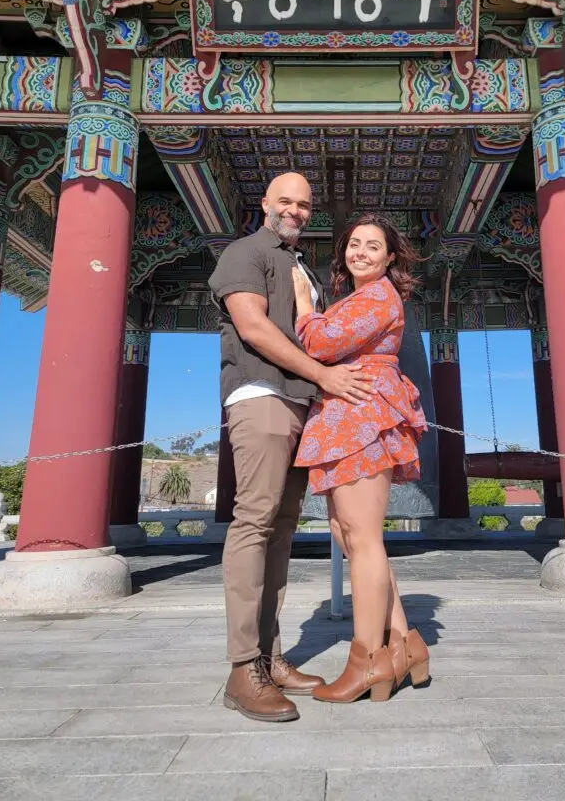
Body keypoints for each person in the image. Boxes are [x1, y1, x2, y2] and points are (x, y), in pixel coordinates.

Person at [209, 172, 373, 723]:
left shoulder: (303, 267)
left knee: (281, 529)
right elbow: (253, 328)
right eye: (286, 201)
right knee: (254, 522)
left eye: (304, 205)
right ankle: (241, 668)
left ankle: (271, 657)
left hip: (304, 403)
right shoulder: (246, 251)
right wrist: (325, 378)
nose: (296, 211)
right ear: (265, 203)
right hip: (262, 395)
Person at [292, 213, 430, 704]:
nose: (361, 253)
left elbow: (321, 344)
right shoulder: (357, 298)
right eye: (354, 244)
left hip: (363, 413)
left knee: (363, 539)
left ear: (391, 257)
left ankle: (367, 659)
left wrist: (306, 306)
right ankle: (406, 645)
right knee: (349, 535)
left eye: (374, 246)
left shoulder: (377, 296)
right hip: (347, 414)